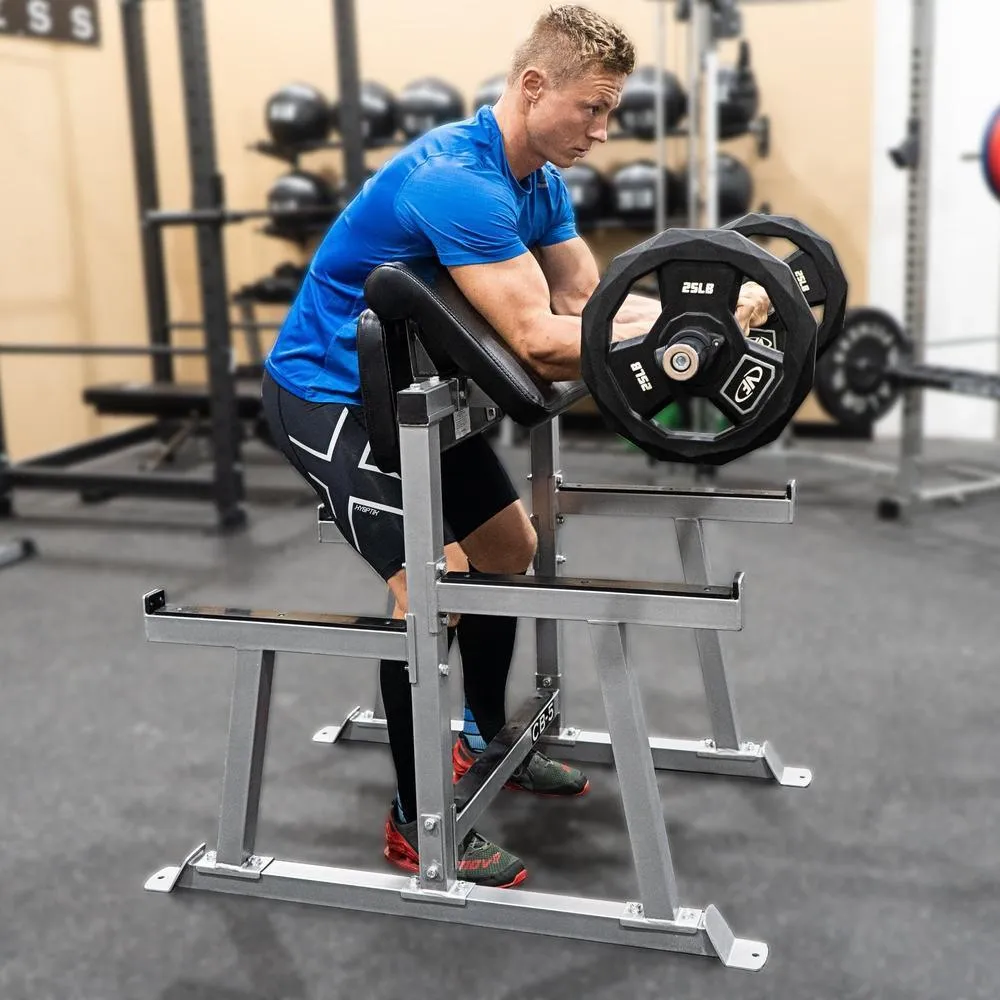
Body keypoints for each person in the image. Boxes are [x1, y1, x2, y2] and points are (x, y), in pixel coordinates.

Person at [261, 4, 771, 890]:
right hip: (329, 398)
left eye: (611, 112)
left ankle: (485, 738)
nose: (603, 131)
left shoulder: (538, 181)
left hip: (420, 401)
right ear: (535, 87)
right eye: (592, 108)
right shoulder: (457, 179)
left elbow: (589, 304)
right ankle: (416, 822)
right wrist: (697, 332)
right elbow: (538, 338)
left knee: (507, 552)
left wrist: (706, 320)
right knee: (433, 585)